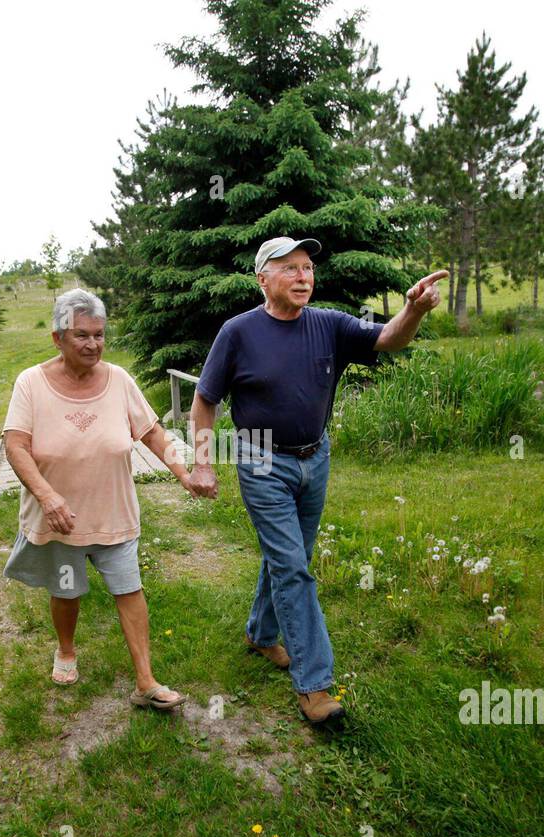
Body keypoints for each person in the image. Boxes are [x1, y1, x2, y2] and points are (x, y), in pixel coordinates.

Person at [189, 236, 447, 725]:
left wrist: (414, 310)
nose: (303, 276)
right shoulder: (238, 332)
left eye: (307, 267)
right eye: (289, 268)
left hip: (315, 456)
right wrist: (203, 463)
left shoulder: (328, 324)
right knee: (294, 568)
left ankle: (261, 635)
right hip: (261, 457)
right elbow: (205, 400)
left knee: (291, 558)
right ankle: (315, 686)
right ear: (262, 278)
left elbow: (388, 338)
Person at [2, 288, 195, 711]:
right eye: (81, 336)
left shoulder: (120, 380)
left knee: (130, 589)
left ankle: (145, 682)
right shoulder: (31, 384)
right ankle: (66, 650)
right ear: (57, 338)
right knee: (67, 591)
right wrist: (47, 495)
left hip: (114, 512)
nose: (93, 344)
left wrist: (183, 471)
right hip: (61, 519)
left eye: (100, 335)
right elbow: (15, 446)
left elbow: (151, 432)